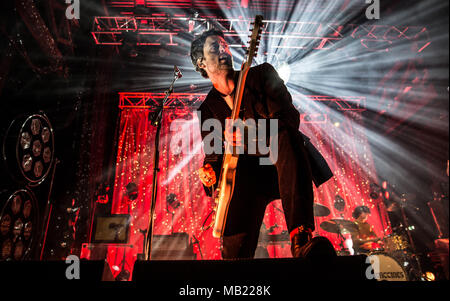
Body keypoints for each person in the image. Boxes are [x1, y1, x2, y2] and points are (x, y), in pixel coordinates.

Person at [191, 29, 334, 259]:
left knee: (286, 135)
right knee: (235, 254)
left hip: (279, 164)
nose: (223, 50)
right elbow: (213, 156)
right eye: (214, 47)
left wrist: (253, 135)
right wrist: (209, 172)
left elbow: (289, 119)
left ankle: (301, 241)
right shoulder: (208, 108)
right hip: (243, 178)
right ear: (201, 62)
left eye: (224, 44)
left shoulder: (260, 75)